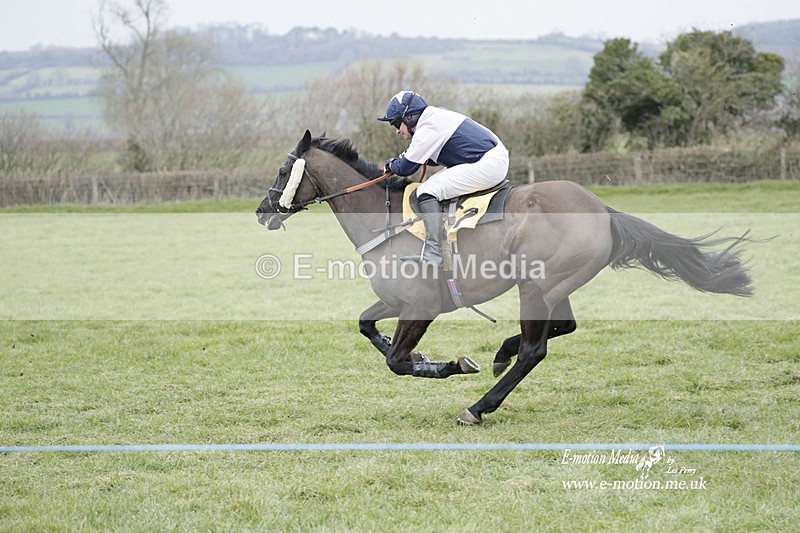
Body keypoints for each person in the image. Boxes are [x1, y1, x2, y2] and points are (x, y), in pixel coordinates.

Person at [378, 90, 509, 267]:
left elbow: (405, 167)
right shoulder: (432, 118)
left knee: (425, 191)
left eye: (396, 123)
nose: (396, 131)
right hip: (489, 159)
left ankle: (433, 251)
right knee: (432, 187)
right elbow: (430, 159)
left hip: (488, 163)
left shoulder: (427, 126)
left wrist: (389, 165)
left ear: (409, 118)